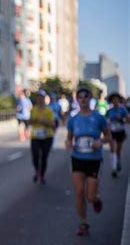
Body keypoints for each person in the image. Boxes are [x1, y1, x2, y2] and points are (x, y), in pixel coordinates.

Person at [65, 87, 113, 236]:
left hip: (94, 159)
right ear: (77, 100)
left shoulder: (98, 117)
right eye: (80, 97)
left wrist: (101, 142)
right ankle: (83, 222)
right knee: (79, 192)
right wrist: (68, 143)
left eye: (86, 96)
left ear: (90, 98)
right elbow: (69, 137)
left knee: (90, 196)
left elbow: (108, 136)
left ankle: (96, 199)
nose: (83, 99)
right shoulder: (73, 119)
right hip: (78, 158)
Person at [30, 90, 55, 184]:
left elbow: (53, 125)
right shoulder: (33, 109)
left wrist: (45, 122)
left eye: (41, 97)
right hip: (36, 136)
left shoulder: (48, 110)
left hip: (47, 136)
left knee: (44, 157)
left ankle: (42, 175)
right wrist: (35, 120)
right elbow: (30, 121)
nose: (40, 99)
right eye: (38, 97)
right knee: (35, 155)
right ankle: (37, 171)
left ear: (44, 99)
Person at [106, 92, 128, 178]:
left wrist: (122, 119)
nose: (115, 101)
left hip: (120, 132)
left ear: (119, 100)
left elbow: (128, 120)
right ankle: (114, 169)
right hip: (112, 132)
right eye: (113, 99)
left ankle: (118, 161)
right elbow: (106, 122)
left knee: (118, 150)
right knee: (113, 149)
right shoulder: (109, 111)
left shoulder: (123, 109)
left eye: (117, 99)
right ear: (111, 101)